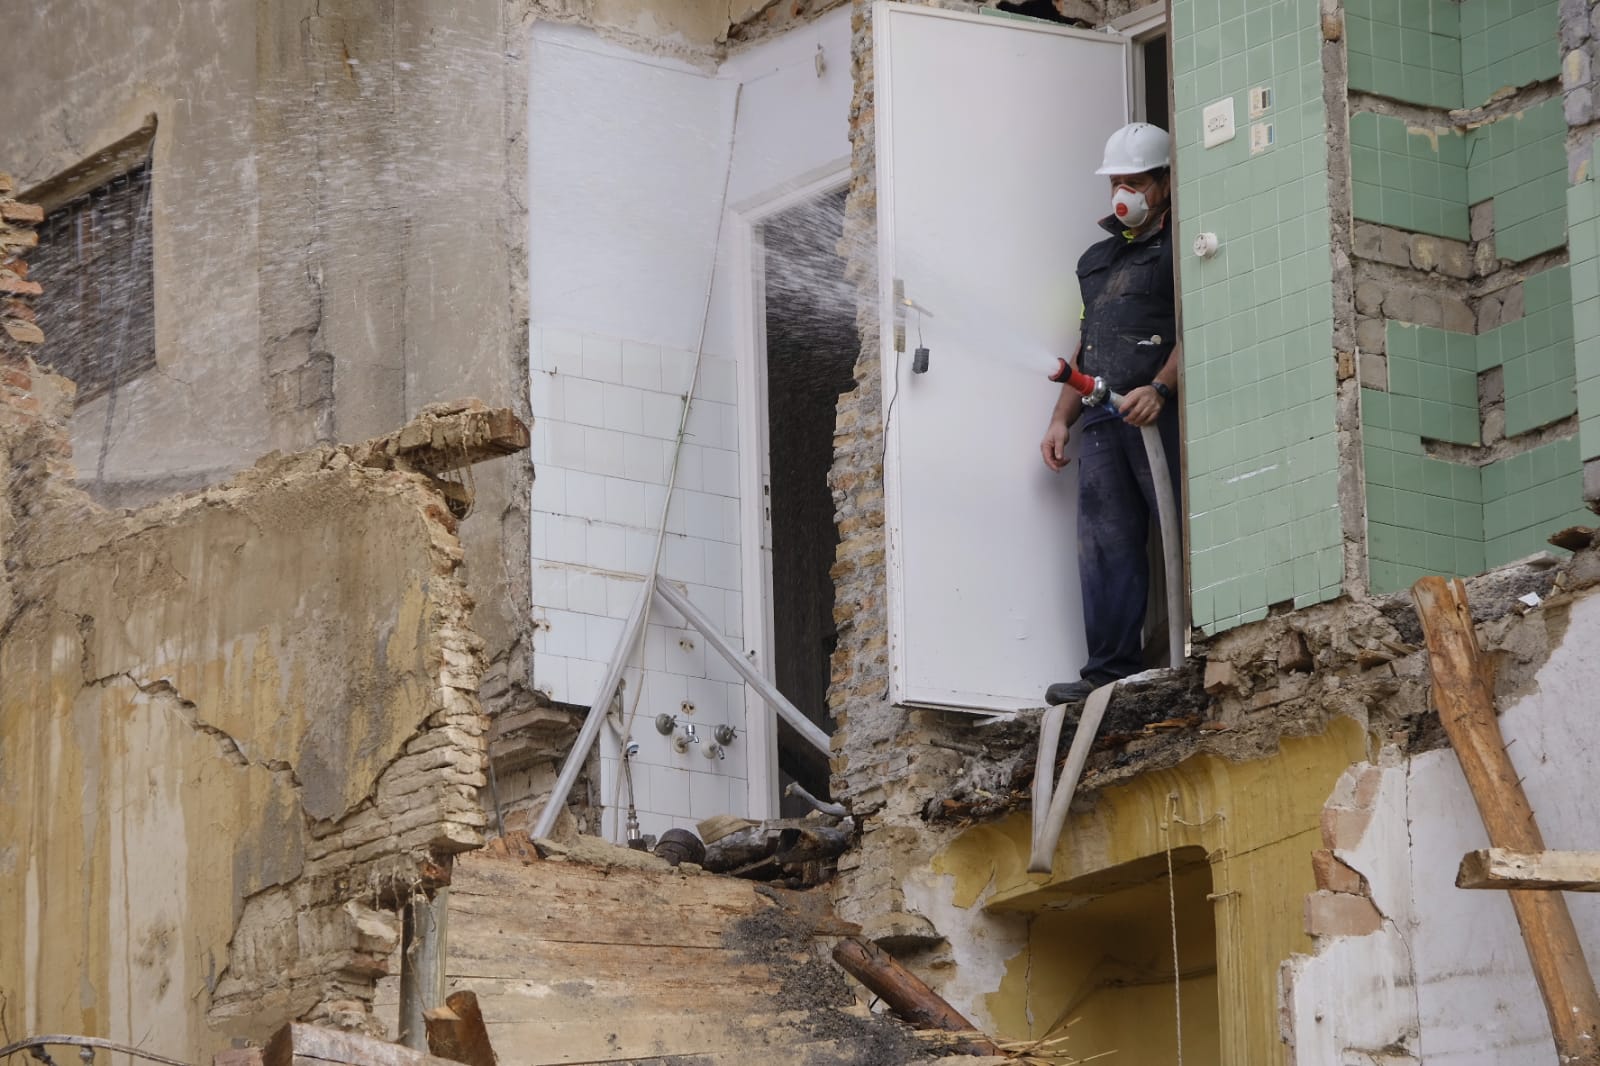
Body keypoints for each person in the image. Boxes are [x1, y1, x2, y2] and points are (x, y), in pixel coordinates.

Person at [1039, 122, 1182, 706]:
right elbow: (1087, 345)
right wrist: (1059, 419)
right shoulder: (1096, 260)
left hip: (1156, 414)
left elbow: (1199, 323)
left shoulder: (1182, 245)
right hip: (1102, 417)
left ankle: (1196, 647)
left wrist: (1162, 389)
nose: (1123, 193)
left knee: (1179, 528)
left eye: (1135, 181)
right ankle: (1109, 670)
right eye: (1115, 182)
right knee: (1105, 541)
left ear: (1165, 183)